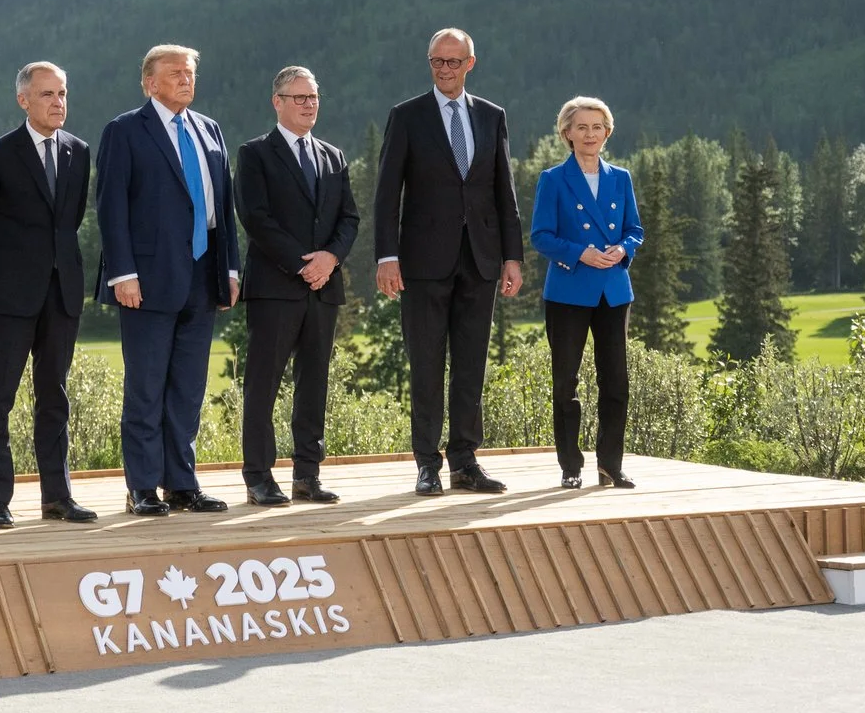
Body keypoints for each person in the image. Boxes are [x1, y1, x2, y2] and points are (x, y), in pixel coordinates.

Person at [375, 28, 524, 496]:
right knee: (425, 364)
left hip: (480, 260)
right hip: (421, 263)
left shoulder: (492, 116)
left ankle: (464, 460)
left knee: (470, 366)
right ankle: (427, 463)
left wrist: (512, 257)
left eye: (453, 62)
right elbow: (385, 195)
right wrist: (387, 255)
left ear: (470, 64)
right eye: (437, 61)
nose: (444, 69)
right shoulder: (407, 116)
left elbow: (504, 190)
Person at [95, 44, 239, 517]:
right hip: (146, 279)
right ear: (149, 82)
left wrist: (230, 269)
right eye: (175, 73)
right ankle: (141, 487)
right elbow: (111, 206)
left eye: (190, 72)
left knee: (187, 388)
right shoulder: (125, 130)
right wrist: (122, 273)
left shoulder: (209, 129)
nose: (185, 79)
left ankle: (182, 484)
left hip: (203, 275)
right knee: (147, 386)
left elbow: (225, 207)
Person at [0, 61, 97, 527]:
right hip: (8, 299)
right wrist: (1, 278)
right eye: (47, 95)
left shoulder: (79, 152)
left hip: (62, 296)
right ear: (23, 100)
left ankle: (57, 497)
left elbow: (69, 222)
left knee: (55, 396)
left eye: (62, 94)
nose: (58, 103)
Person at [233, 65, 361, 507]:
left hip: (324, 287)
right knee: (263, 385)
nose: (309, 106)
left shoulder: (333, 156)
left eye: (314, 98)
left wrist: (330, 259)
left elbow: (349, 218)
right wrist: (302, 264)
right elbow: (255, 218)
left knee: (315, 385)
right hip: (275, 288)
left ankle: (308, 475)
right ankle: (258, 477)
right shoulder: (254, 154)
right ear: (278, 102)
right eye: (300, 98)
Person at [529, 97, 645, 490]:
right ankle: (571, 465)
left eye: (597, 127)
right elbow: (540, 236)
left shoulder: (621, 178)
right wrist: (581, 253)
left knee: (616, 382)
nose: (590, 134)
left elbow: (635, 229)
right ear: (567, 134)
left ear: (607, 133)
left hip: (613, 291)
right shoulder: (553, 179)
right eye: (581, 127)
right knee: (566, 383)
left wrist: (624, 248)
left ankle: (611, 464)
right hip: (568, 292)